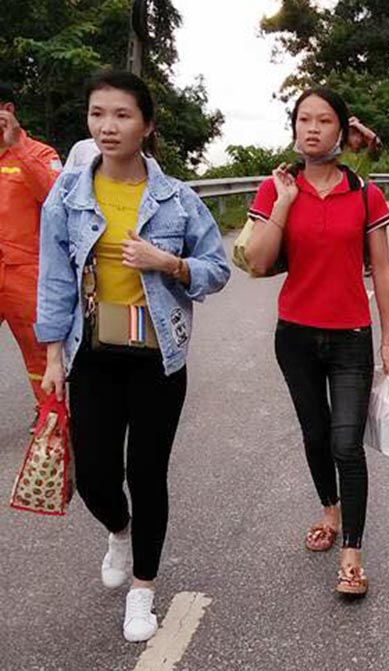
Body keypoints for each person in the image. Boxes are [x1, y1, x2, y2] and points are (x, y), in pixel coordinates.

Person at [36, 70, 230, 642]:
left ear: (146, 125)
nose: (107, 126)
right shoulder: (67, 196)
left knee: (147, 473)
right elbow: (54, 280)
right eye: (98, 114)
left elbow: (215, 270)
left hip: (157, 358)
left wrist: (165, 262)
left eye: (121, 115)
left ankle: (143, 590)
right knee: (95, 475)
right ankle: (118, 530)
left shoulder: (178, 200)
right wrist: (52, 356)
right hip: (91, 354)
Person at [243, 87, 389, 598]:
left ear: (341, 130)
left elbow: (380, 268)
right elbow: (260, 262)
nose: (311, 129)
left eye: (323, 120)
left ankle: (352, 551)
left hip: (351, 334)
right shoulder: (277, 188)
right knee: (315, 433)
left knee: (346, 443)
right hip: (295, 335)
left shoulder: (364, 193)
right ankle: (329, 510)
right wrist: (285, 203)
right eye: (303, 120)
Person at [0, 82, 61, 414]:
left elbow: (55, 198)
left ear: (7, 109)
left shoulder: (41, 154)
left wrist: (17, 146)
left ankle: (52, 425)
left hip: (28, 275)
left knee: (41, 357)